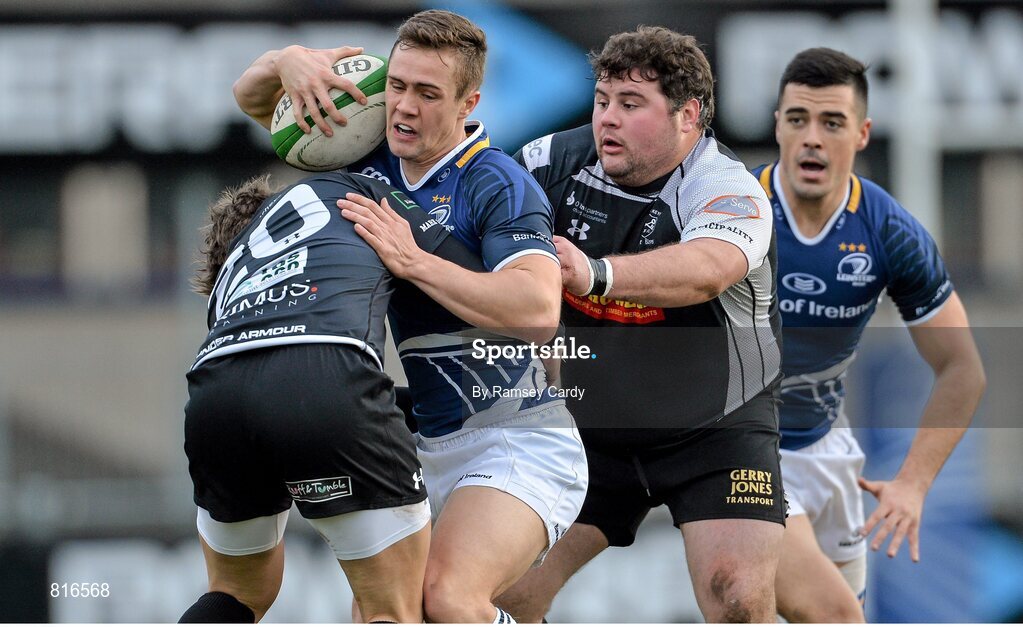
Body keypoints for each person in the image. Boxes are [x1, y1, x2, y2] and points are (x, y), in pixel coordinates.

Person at [232, 10, 588, 624]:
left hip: (518, 438)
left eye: (427, 93)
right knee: (382, 614)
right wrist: (288, 60)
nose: (403, 106)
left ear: (469, 101)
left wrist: (413, 260)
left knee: (446, 599)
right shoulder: (367, 153)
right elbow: (253, 100)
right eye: (397, 85)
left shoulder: (496, 181)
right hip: (422, 444)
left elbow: (537, 310)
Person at [499, 26, 786, 623]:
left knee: (737, 594)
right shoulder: (549, 162)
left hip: (716, 429)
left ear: (688, 116)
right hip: (588, 430)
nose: (608, 120)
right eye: (603, 101)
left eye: (632, 106)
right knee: (500, 594)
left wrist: (595, 274)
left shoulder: (725, 188)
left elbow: (708, 269)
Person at [179, 171, 484, 624]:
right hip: (328, 387)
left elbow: (276, 384)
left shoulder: (232, 281)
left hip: (215, 396)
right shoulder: (354, 193)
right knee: (392, 607)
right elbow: (477, 279)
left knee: (236, 591)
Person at [751, 47, 986, 622]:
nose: (812, 138)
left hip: (830, 452)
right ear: (777, 125)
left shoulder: (888, 231)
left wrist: (913, 483)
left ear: (861, 134)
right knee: (833, 617)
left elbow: (963, 369)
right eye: (798, 119)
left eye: (832, 123)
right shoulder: (731, 211)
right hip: (743, 451)